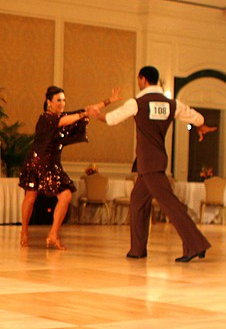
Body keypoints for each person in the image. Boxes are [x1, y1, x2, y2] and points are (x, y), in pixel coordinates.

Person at [93, 66, 217, 262]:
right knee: (137, 202)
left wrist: (95, 114)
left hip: (149, 163)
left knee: (170, 205)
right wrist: (200, 126)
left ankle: (196, 244)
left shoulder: (137, 102)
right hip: (153, 161)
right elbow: (197, 117)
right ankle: (137, 249)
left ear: (143, 79)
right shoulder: (171, 103)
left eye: (138, 80)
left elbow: (111, 119)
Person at [18, 86, 120, 250]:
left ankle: (53, 234)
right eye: (58, 100)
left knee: (65, 196)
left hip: (53, 164)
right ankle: (24, 231)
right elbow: (64, 121)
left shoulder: (64, 116)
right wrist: (84, 114)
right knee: (30, 197)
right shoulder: (45, 118)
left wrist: (109, 101)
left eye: (64, 100)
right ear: (49, 102)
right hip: (37, 161)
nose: (62, 103)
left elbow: (87, 110)